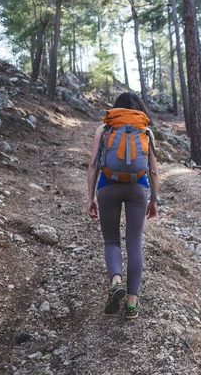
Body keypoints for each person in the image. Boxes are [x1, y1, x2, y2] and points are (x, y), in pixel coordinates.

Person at [86, 92, 159, 319]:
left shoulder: (105, 129)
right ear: (139, 108)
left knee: (111, 240)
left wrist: (90, 198)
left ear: (117, 108)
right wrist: (155, 199)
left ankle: (116, 281)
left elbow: (92, 165)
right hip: (138, 188)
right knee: (134, 243)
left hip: (108, 185)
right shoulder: (146, 131)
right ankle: (131, 304)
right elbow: (154, 170)